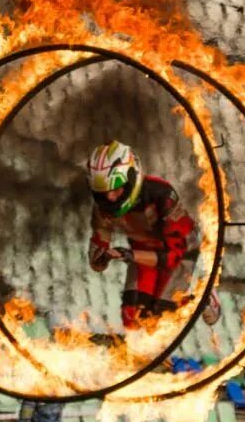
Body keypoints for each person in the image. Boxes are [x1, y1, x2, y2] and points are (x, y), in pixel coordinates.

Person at [83, 140, 221, 329]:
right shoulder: (101, 208)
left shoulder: (161, 195)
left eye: (116, 190)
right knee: (132, 318)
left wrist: (128, 255)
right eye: (103, 192)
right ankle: (142, 356)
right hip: (142, 253)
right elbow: (97, 254)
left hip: (178, 253)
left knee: (162, 317)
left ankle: (201, 296)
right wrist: (100, 256)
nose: (110, 198)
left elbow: (174, 256)